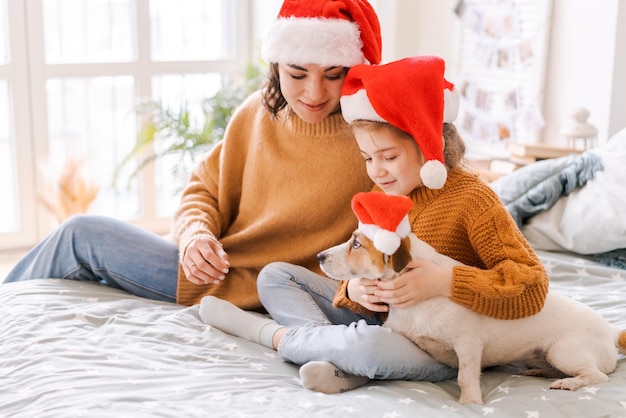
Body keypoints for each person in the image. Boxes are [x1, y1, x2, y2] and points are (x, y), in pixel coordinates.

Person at [199, 55, 550, 394]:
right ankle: (337, 357)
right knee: (275, 276)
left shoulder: (473, 200)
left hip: (439, 345)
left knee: (369, 347)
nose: (376, 171)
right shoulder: (381, 192)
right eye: (368, 158)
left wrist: (444, 281)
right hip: (386, 321)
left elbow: (532, 286)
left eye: (390, 157)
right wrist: (353, 291)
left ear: (431, 147)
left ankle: (274, 336)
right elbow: (363, 265)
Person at [4, 0, 383, 310]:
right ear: (276, 65)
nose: (314, 93)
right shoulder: (255, 113)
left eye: (333, 74)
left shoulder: (375, 135)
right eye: (297, 74)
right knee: (78, 234)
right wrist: (196, 237)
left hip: (293, 295)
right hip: (212, 274)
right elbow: (203, 189)